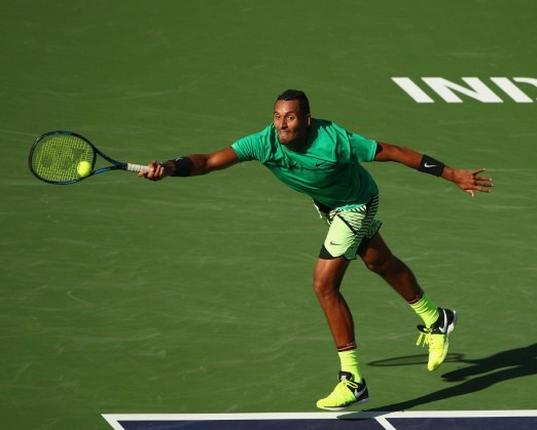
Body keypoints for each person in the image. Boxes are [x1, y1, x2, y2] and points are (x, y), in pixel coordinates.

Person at [139, 89, 493, 411]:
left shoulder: (334, 140)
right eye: (277, 116)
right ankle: (435, 318)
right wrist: (168, 168)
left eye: (290, 117)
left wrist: (451, 174)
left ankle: (352, 380)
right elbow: (208, 161)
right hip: (330, 206)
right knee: (379, 262)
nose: (282, 124)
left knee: (324, 285)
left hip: (355, 203)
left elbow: (393, 152)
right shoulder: (263, 143)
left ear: (306, 120)